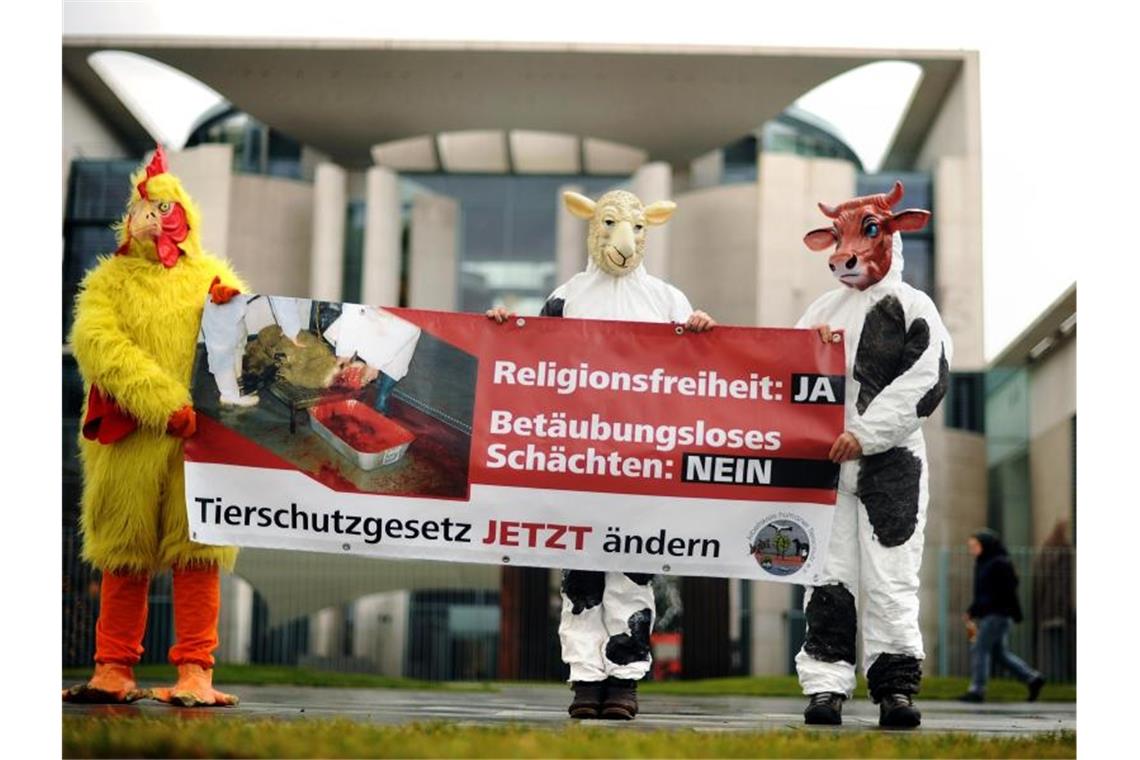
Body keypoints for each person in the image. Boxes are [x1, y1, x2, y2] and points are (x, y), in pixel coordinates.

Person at [487, 190, 715, 721]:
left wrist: (703, 335)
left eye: (637, 228)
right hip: (581, 459)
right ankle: (585, 680)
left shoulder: (669, 302)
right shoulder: (566, 299)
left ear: (647, 232)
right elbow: (530, 361)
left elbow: (698, 375)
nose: (625, 240)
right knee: (581, 572)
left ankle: (626, 678)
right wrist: (501, 331)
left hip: (642, 460)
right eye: (612, 224)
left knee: (634, 570)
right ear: (593, 226)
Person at [793, 181, 951, 729]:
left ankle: (895, 690)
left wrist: (865, 433)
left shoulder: (914, 307)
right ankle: (826, 686)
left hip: (892, 464)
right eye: (839, 239)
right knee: (828, 576)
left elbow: (926, 381)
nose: (848, 252)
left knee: (891, 576)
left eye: (867, 233)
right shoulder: (819, 310)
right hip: (826, 468)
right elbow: (774, 370)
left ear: (891, 235)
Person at [958, 528, 1046, 703]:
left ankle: (977, 689)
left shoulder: (999, 563)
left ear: (985, 545)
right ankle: (1032, 678)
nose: (972, 549)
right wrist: (972, 611)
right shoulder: (983, 563)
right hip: (991, 614)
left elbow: (1008, 590)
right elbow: (981, 593)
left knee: (979, 649)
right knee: (999, 654)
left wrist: (1013, 612)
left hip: (997, 615)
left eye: (974, 545)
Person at [323, 305, 422, 414]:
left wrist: (374, 364)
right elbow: (352, 309)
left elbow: (407, 327)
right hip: (370, 311)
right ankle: (342, 381)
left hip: (406, 324)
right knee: (348, 328)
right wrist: (344, 352)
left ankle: (383, 395)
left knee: (399, 358)